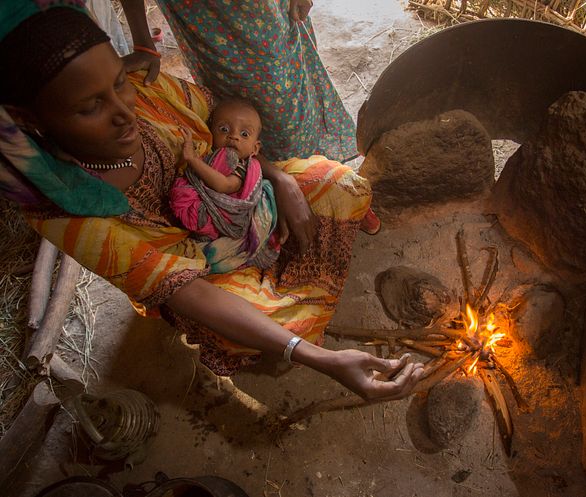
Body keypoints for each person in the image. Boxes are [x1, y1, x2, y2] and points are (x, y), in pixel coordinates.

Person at [0, 2, 422, 400]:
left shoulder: (147, 91)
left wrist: (281, 181)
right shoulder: (63, 209)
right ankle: (280, 329)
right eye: (91, 106)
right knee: (266, 328)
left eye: (118, 83)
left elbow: (223, 133)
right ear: (29, 119)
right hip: (200, 270)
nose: (125, 111)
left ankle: (279, 271)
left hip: (247, 197)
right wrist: (323, 359)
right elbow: (184, 290)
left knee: (337, 182)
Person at [120, 0, 357, 164]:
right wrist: (143, 42)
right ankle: (271, 184)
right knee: (235, 112)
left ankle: (317, 177)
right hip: (207, 22)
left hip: (264, 18)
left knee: (291, 103)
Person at [170, 98, 281, 272]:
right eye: (224, 129)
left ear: (255, 149)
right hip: (206, 213)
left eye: (244, 134)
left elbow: (225, 186)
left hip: (226, 222)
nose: (233, 136)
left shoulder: (241, 166)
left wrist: (192, 160)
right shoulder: (212, 157)